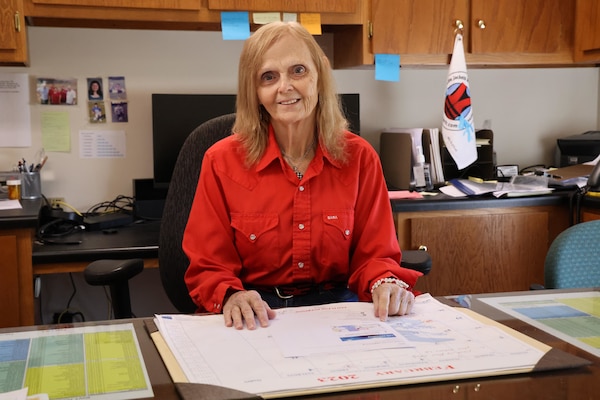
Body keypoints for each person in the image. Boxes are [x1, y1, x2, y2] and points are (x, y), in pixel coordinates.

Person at [183, 21, 422, 330]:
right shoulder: (221, 162)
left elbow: (376, 255)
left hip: (340, 311)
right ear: (254, 91)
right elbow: (208, 264)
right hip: (258, 315)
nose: (285, 86)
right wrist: (230, 296)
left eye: (298, 71)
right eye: (269, 77)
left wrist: (385, 282)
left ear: (319, 78)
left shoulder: (360, 158)